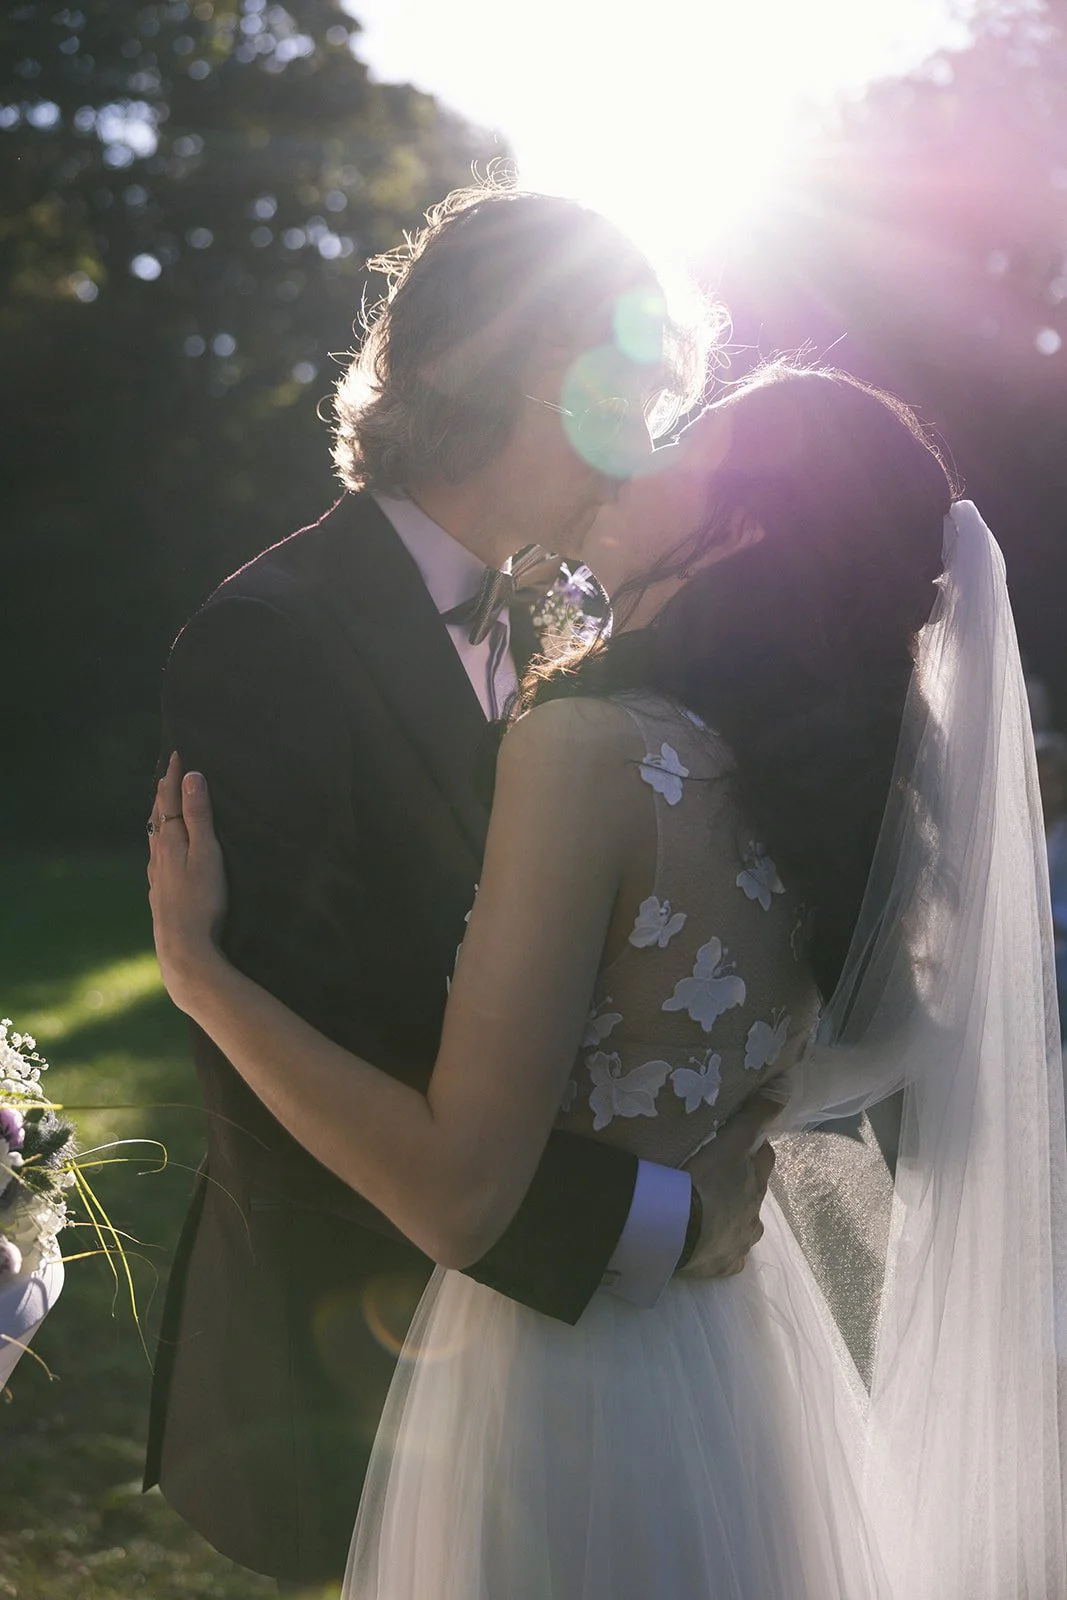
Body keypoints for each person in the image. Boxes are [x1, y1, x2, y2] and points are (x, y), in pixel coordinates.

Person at [148, 361, 1067, 1597]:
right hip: (733, 1361)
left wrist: (203, 977)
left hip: (554, 1383)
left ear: (739, 524)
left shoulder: (587, 749)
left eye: (684, 435)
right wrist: (685, 1199)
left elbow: (459, 1196)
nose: (632, 447)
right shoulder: (819, 800)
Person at [142, 182, 780, 1590]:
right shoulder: (272, 638)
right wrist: (665, 1221)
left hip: (548, 1352)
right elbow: (320, 1058)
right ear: (545, 370)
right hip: (363, 1358)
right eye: (646, 391)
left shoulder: (564, 624)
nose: (654, 440)